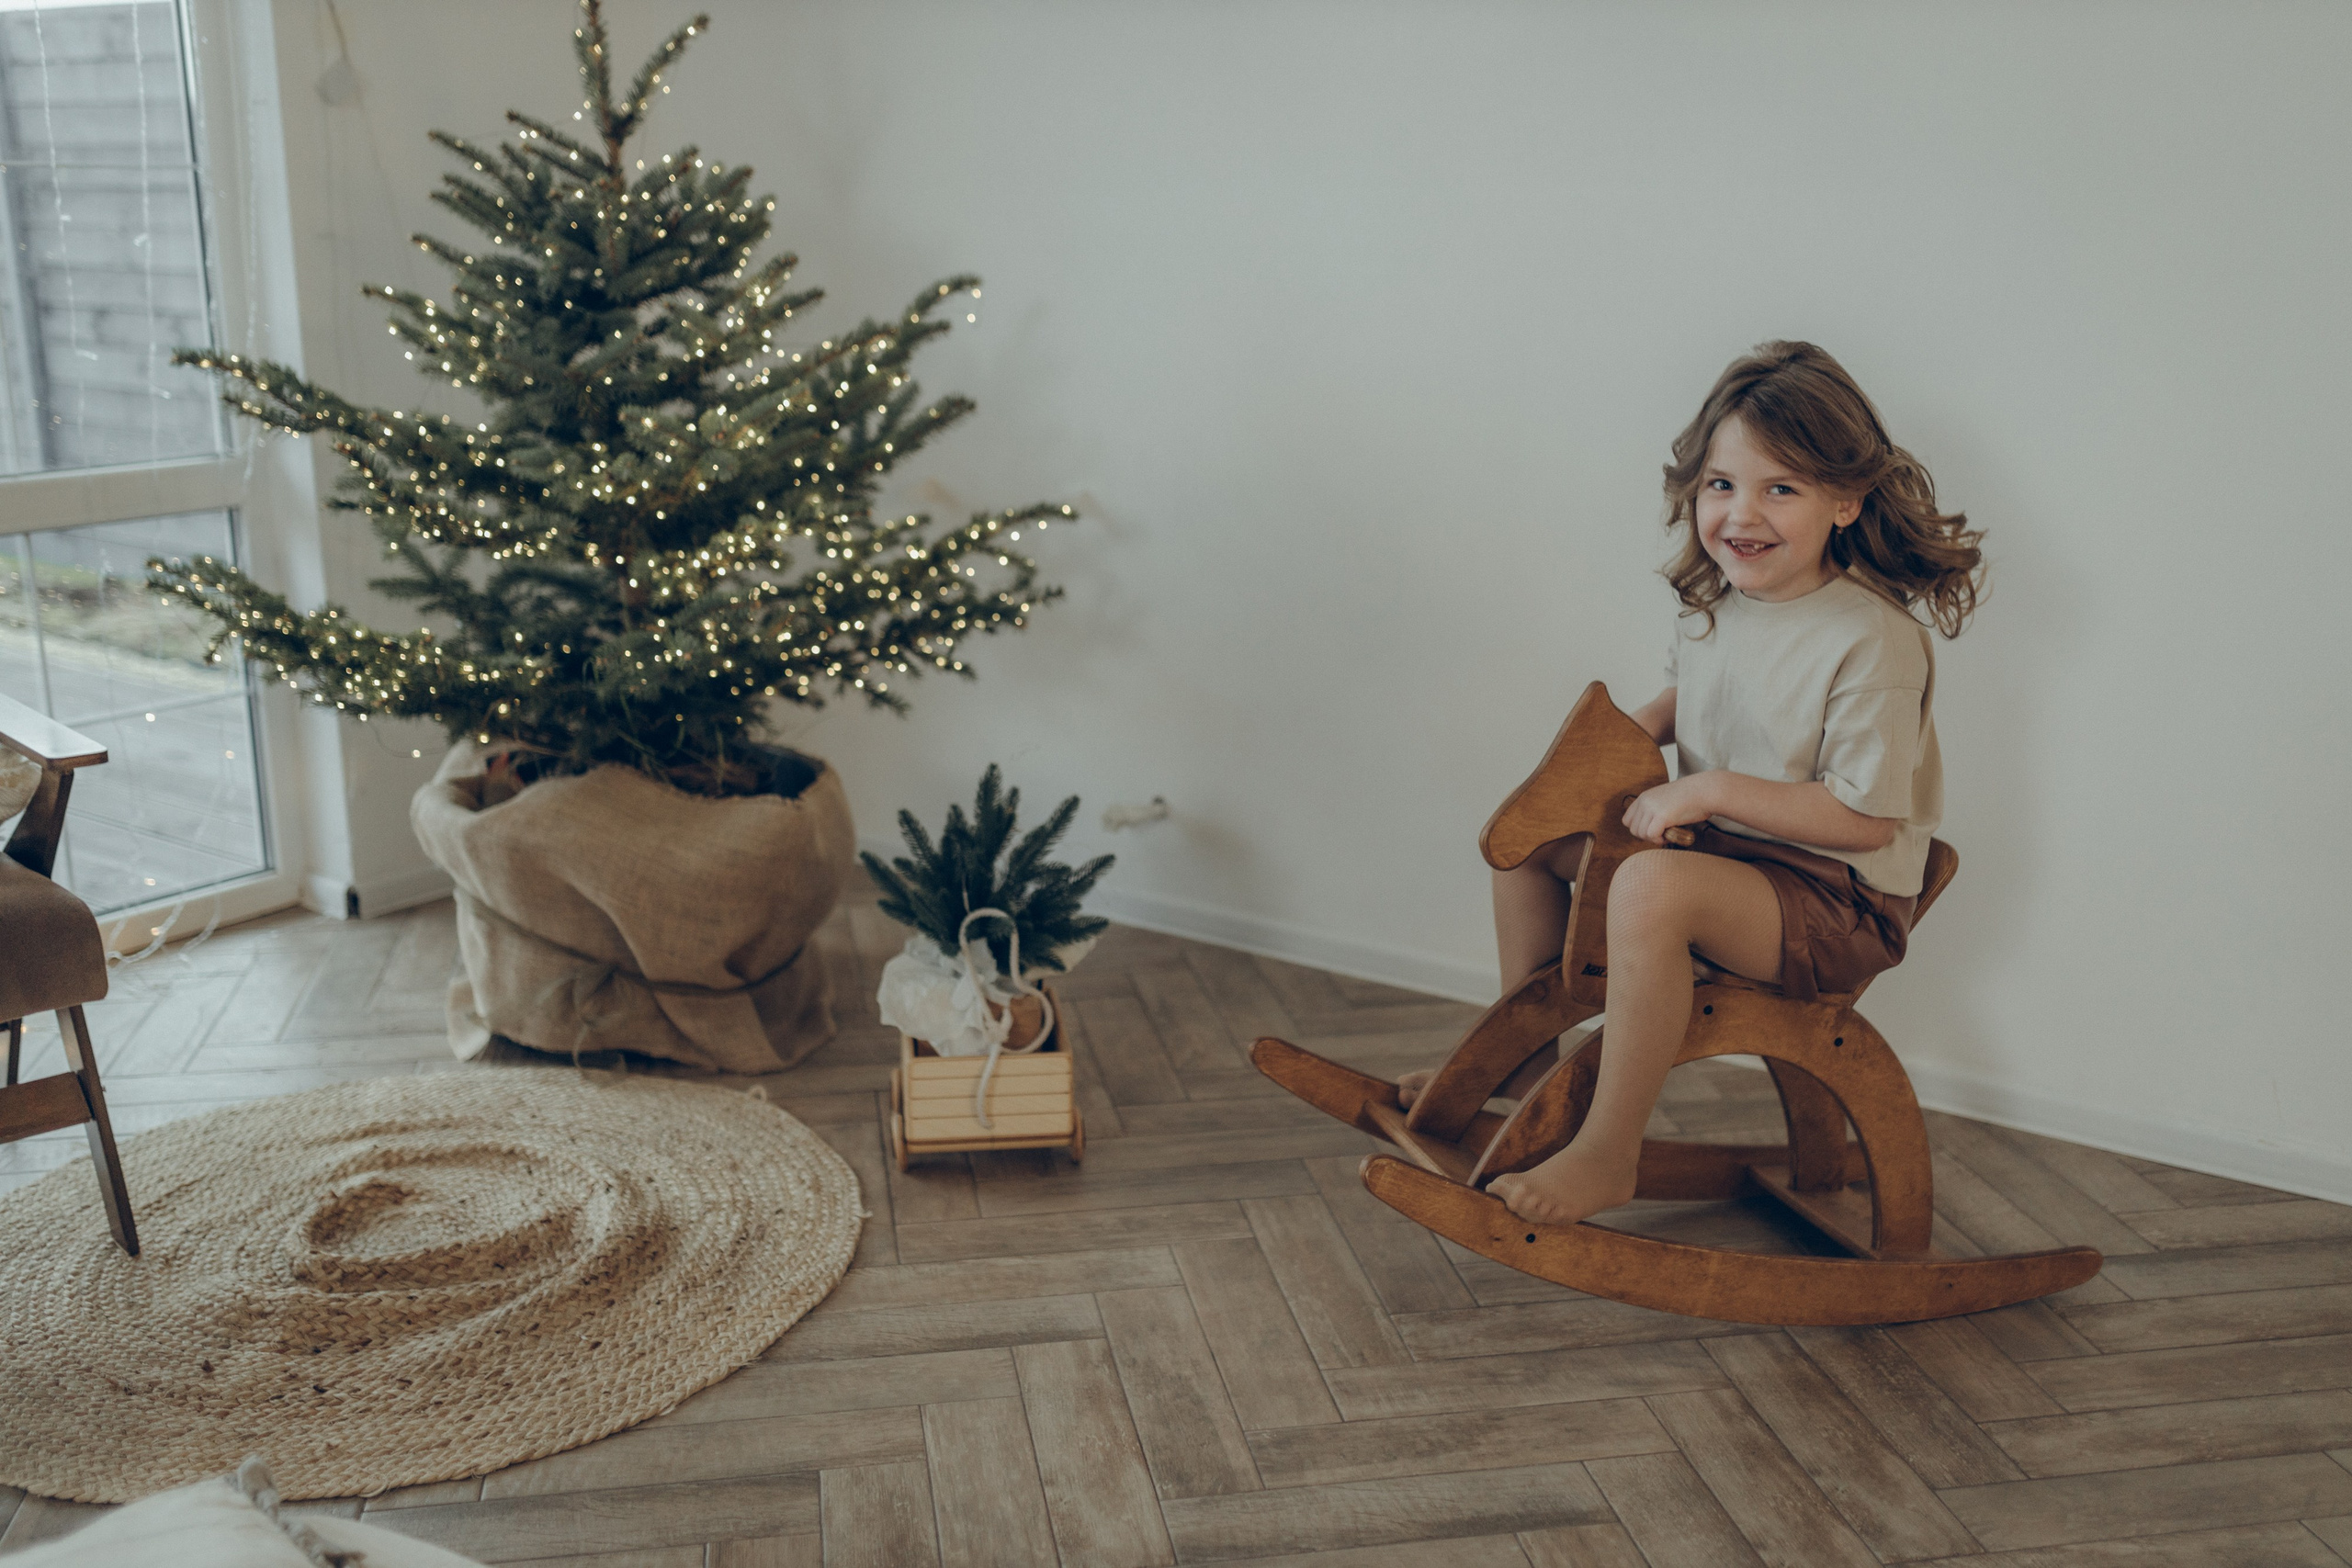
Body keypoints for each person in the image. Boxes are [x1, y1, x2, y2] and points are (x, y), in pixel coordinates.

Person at [1397, 340, 1985, 1227]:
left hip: (1832, 900)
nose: (1741, 513)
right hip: (1730, 861)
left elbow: (1863, 820)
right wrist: (1615, 743)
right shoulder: (1720, 603)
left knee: (1648, 887)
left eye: (1779, 488)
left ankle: (1607, 1149)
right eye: (1721, 484)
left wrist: (1705, 794)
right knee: (1526, 839)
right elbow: (1694, 696)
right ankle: (1519, 1059)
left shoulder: (1871, 641)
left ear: (1845, 500)